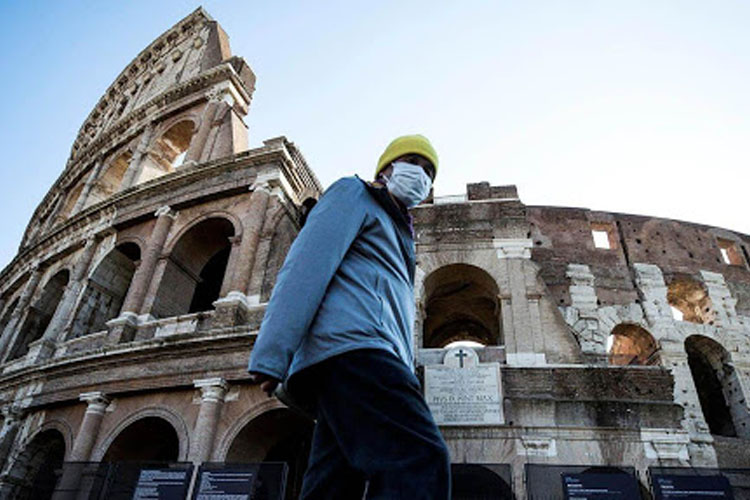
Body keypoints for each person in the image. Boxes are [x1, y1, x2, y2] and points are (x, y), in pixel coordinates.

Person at [248, 134, 451, 499]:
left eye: (429, 172)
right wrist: (273, 352)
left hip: (363, 359)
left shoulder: (401, 234)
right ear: (387, 168)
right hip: (355, 351)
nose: (421, 176)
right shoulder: (352, 195)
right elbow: (305, 267)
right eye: (413, 163)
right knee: (419, 458)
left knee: (333, 485)